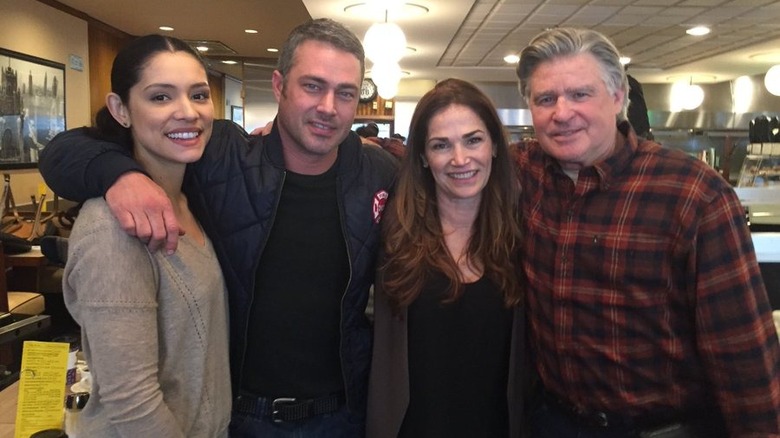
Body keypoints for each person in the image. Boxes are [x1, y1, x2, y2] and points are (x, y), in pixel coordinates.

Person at [39, 18, 398, 437]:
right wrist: (119, 174)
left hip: (342, 416)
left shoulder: (379, 172)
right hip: (241, 417)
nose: (328, 107)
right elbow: (64, 150)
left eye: (345, 93)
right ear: (280, 87)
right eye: (313, 86)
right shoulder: (223, 156)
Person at [515, 27, 780, 437]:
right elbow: (443, 152)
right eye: (545, 99)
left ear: (618, 97)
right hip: (552, 421)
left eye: (580, 94)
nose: (561, 112)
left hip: (661, 429)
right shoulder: (523, 173)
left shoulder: (694, 194)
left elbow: (743, 357)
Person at [61, 34, 231, 437]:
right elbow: (133, 403)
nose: (187, 112)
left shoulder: (191, 201)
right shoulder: (112, 229)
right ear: (121, 109)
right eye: (160, 97)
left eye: (199, 94)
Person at [366, 78, 526, 438]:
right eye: (441, 145)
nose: (460, 159)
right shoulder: (393, 235)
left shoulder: (522, 234)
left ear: (495, 146)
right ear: (423, 156)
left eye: (473, 140)